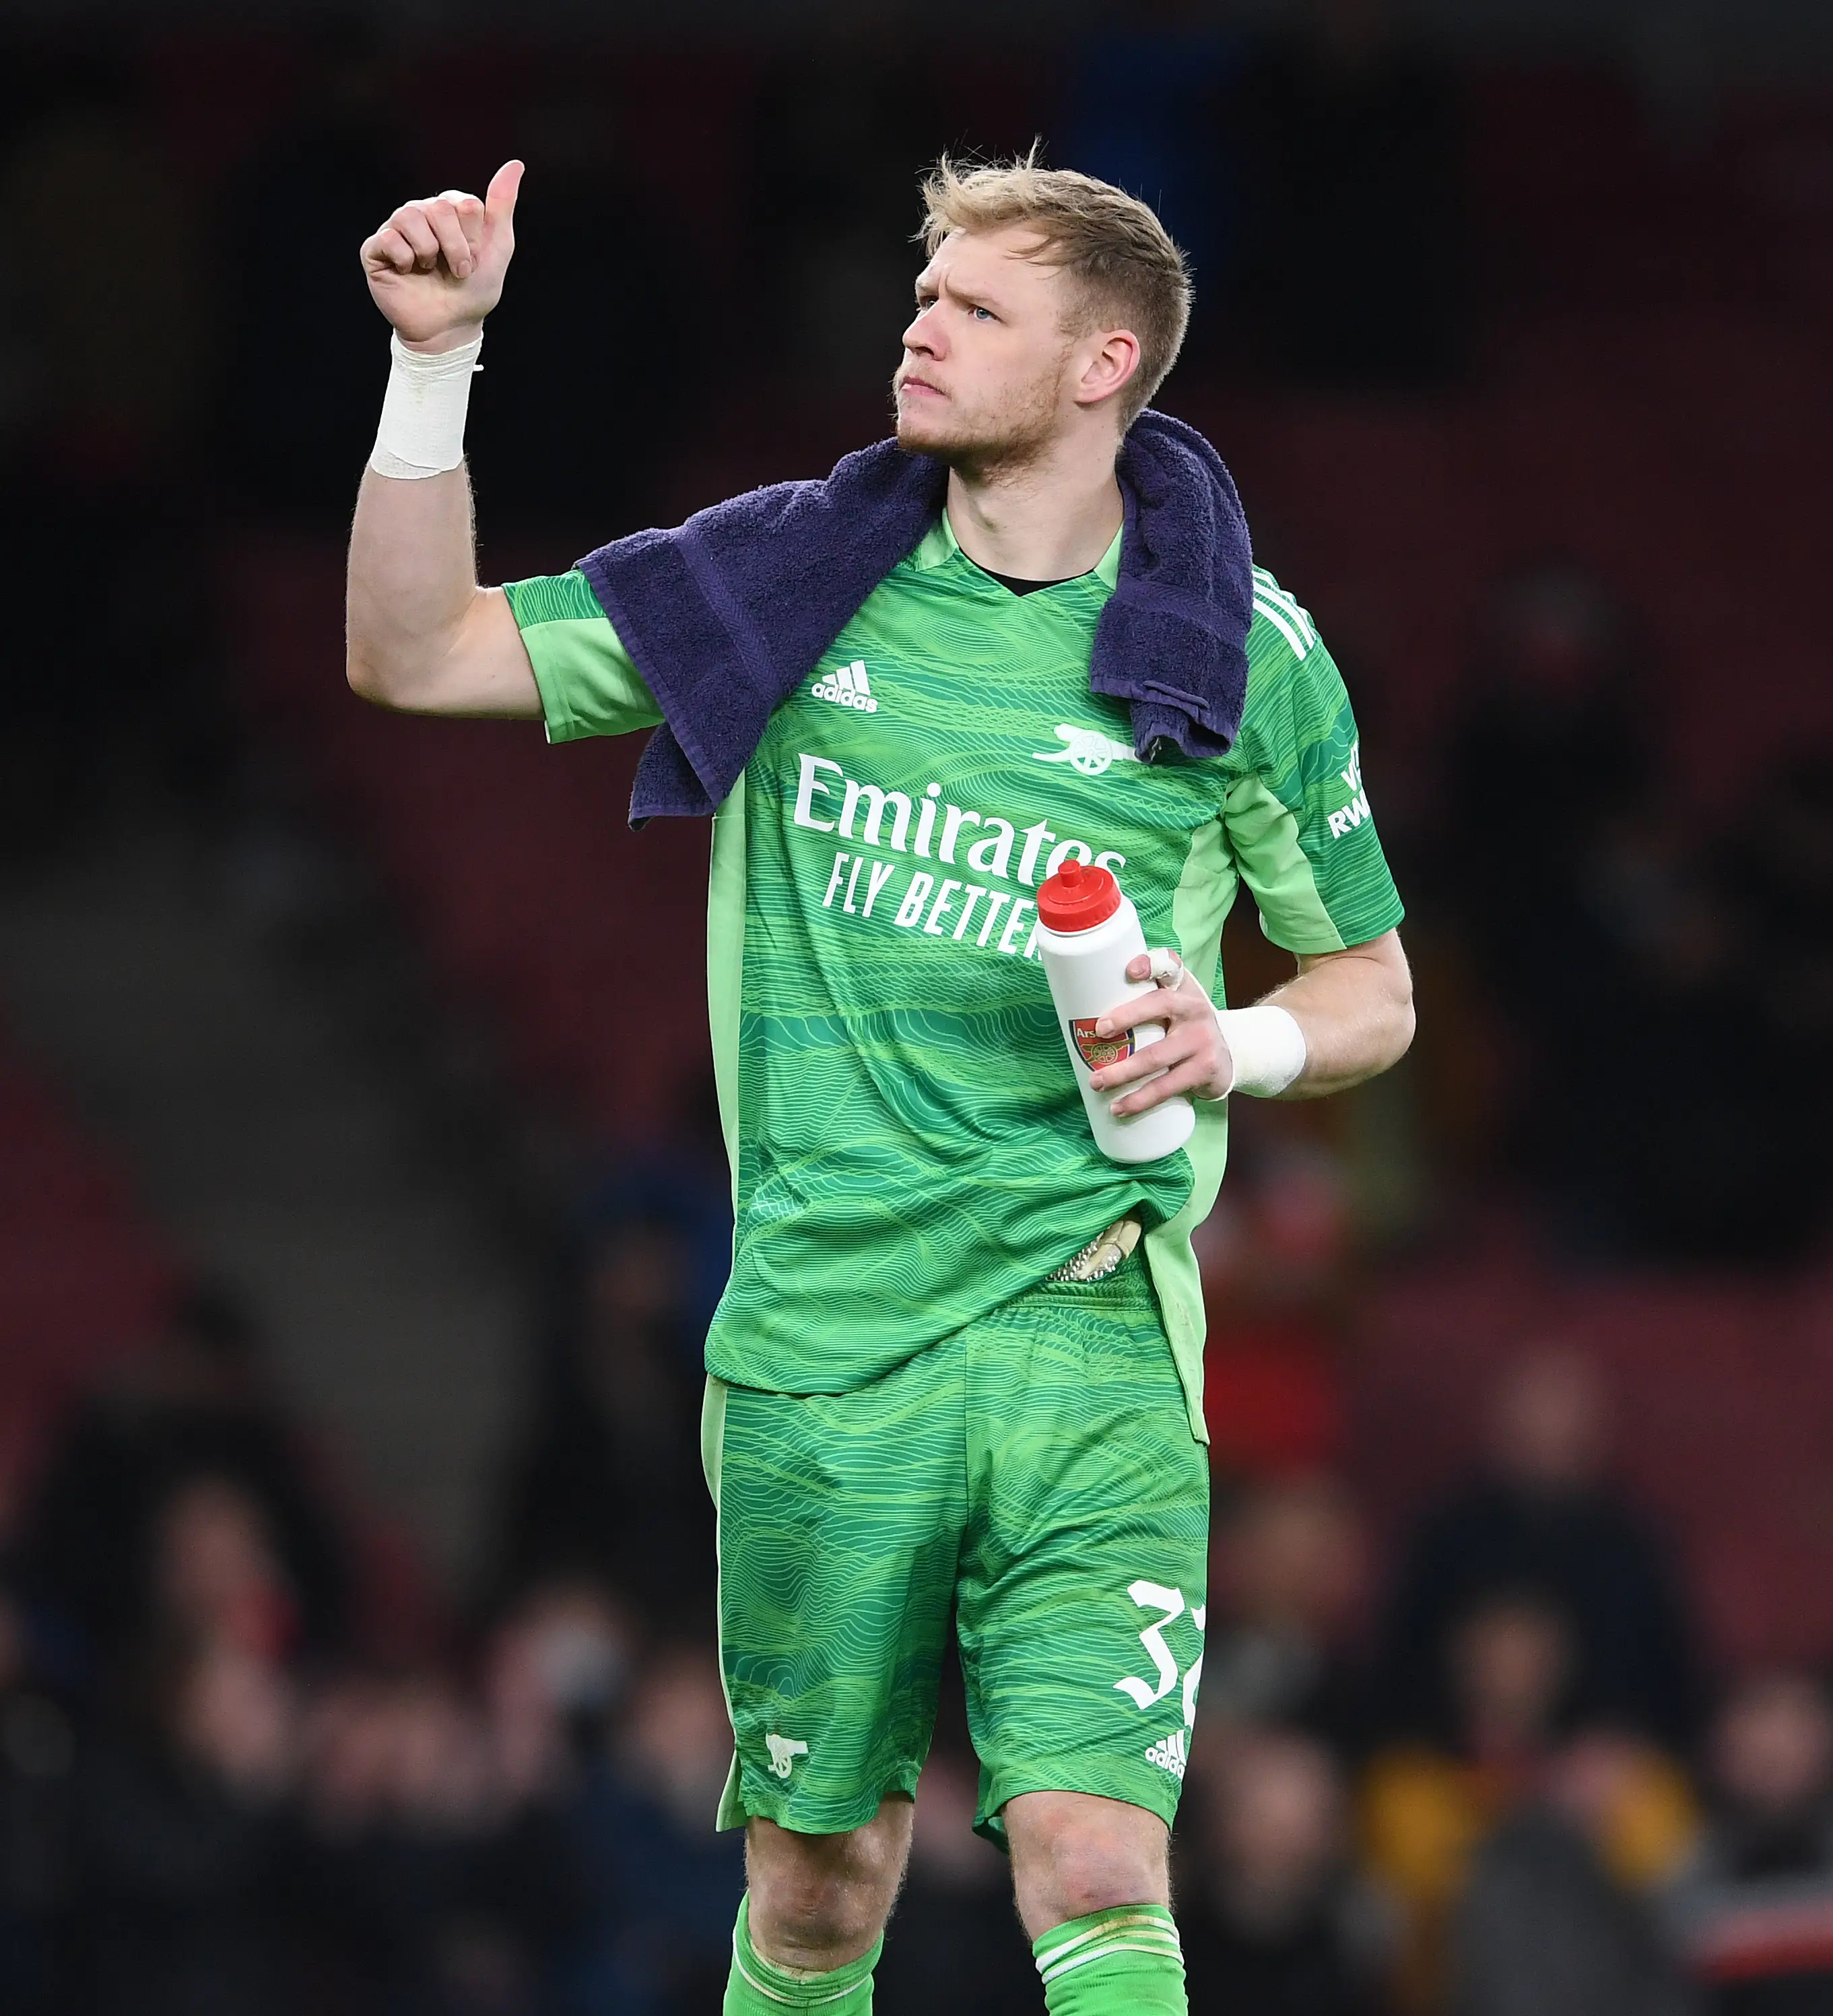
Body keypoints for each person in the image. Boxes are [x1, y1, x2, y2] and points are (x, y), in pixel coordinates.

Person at [344, 150, 1415, 2015]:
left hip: (1090, 1331)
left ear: (1100, 364)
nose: (916, 326)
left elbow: (1371, 988)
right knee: (823, 1887)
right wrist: (435, 362)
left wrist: (1229, 1038)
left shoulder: (1243, 652)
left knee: (1097, 1855)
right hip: (825, 1340)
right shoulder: (783, 581)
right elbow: (411, 655)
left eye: (973, 307)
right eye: (923, 294)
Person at [1374, 1348, 1702, 1754]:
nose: (1547, 1437)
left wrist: (1607, 1744)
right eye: (1531, 1424)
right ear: (1500, 1427)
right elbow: (1399, 1673)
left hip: (1598, 1762)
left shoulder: (1633, 1547)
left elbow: (1668, 1685)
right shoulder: (1445, 1536)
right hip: (1449, 1757)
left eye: (1565, 1425)